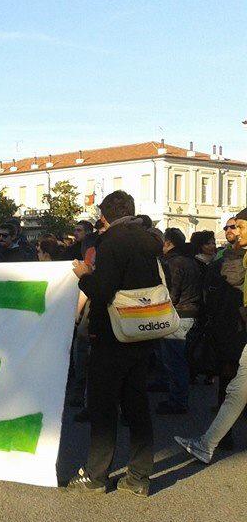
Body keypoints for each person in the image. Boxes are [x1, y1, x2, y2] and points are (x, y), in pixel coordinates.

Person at [68, 190, 161, 496]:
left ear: (105, 217)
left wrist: (84, 275)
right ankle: (139, 476)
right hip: (143, 331)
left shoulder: (112, 242)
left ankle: (95, 475)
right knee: (137, 404)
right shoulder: (150, 241)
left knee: (103, 405)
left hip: (112, 334)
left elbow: (103, 289)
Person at [175, 208, 247, 464]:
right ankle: (210, 443)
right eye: (230, 227)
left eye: (237, 226)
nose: (233, 232)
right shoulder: (221, 257)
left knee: (235, 387)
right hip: (226, 328)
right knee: (234, 388)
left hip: (239, 329)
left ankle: (209, 443)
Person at [152, 228, 201, 414]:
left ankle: (178, 402)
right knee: (176, 359)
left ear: (169, 243)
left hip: (178, 314)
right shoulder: (188, 260)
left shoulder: (174, 263)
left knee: (175, 361)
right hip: (189, 312)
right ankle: (174, 394)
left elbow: (172, 293)